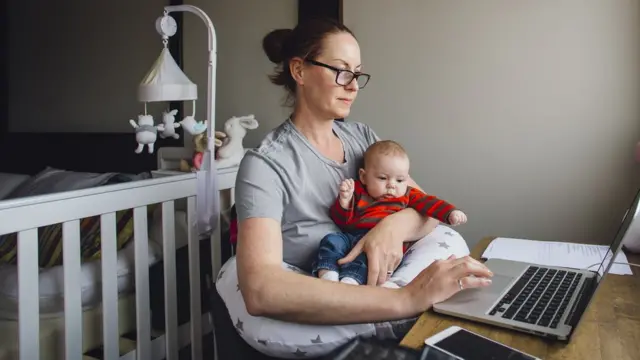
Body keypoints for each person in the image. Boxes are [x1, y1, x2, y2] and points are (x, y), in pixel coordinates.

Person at [234, 17, 493, 331]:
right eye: (342, 71)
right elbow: (261, 290)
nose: (353, 86)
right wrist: (407, 299)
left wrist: (391, 228)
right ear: (299, 70)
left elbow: (425, 208)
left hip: (388, 280)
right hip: (341, 288)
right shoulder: (265, 164)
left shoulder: (363, 140)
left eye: (357, 74)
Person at [312, 139, 468, 286]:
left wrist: (450, 213)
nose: (391, 185)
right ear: (364, 176)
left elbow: (431, 204)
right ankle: (328, 274)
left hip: (382, 245)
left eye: (399, 180)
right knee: (331, 240)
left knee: (368, 259)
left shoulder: (407, 195)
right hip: (352, 236)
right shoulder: (358, 191)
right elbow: (342, 221)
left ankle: (350, 281)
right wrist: (344, 204)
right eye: (382, 178)